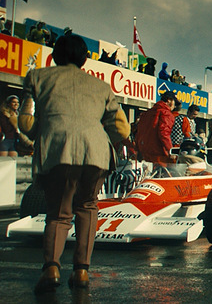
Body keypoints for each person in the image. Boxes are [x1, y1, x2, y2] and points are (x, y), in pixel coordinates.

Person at [19, 34, 130, 293]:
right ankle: (81, 272)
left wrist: (36, 134)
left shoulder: (37, 77)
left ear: (54, 55)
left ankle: (52, 268)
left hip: (57, 151)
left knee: (58, 213)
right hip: (96, 152)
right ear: (85, 59)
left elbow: (25, 122)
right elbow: (122, 130)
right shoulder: (101, 86)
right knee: (88, 206)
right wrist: (102, 137)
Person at [135, 91, 179, 165]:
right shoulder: (166, 113)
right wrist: (170, 150)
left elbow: (139, 132)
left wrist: (138, 150)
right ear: (169, 100)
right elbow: (164, 133)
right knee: (165, 174)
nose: (174, 106)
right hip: (159, 154)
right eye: (175, 103)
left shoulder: (147, 113)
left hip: (145, 152)